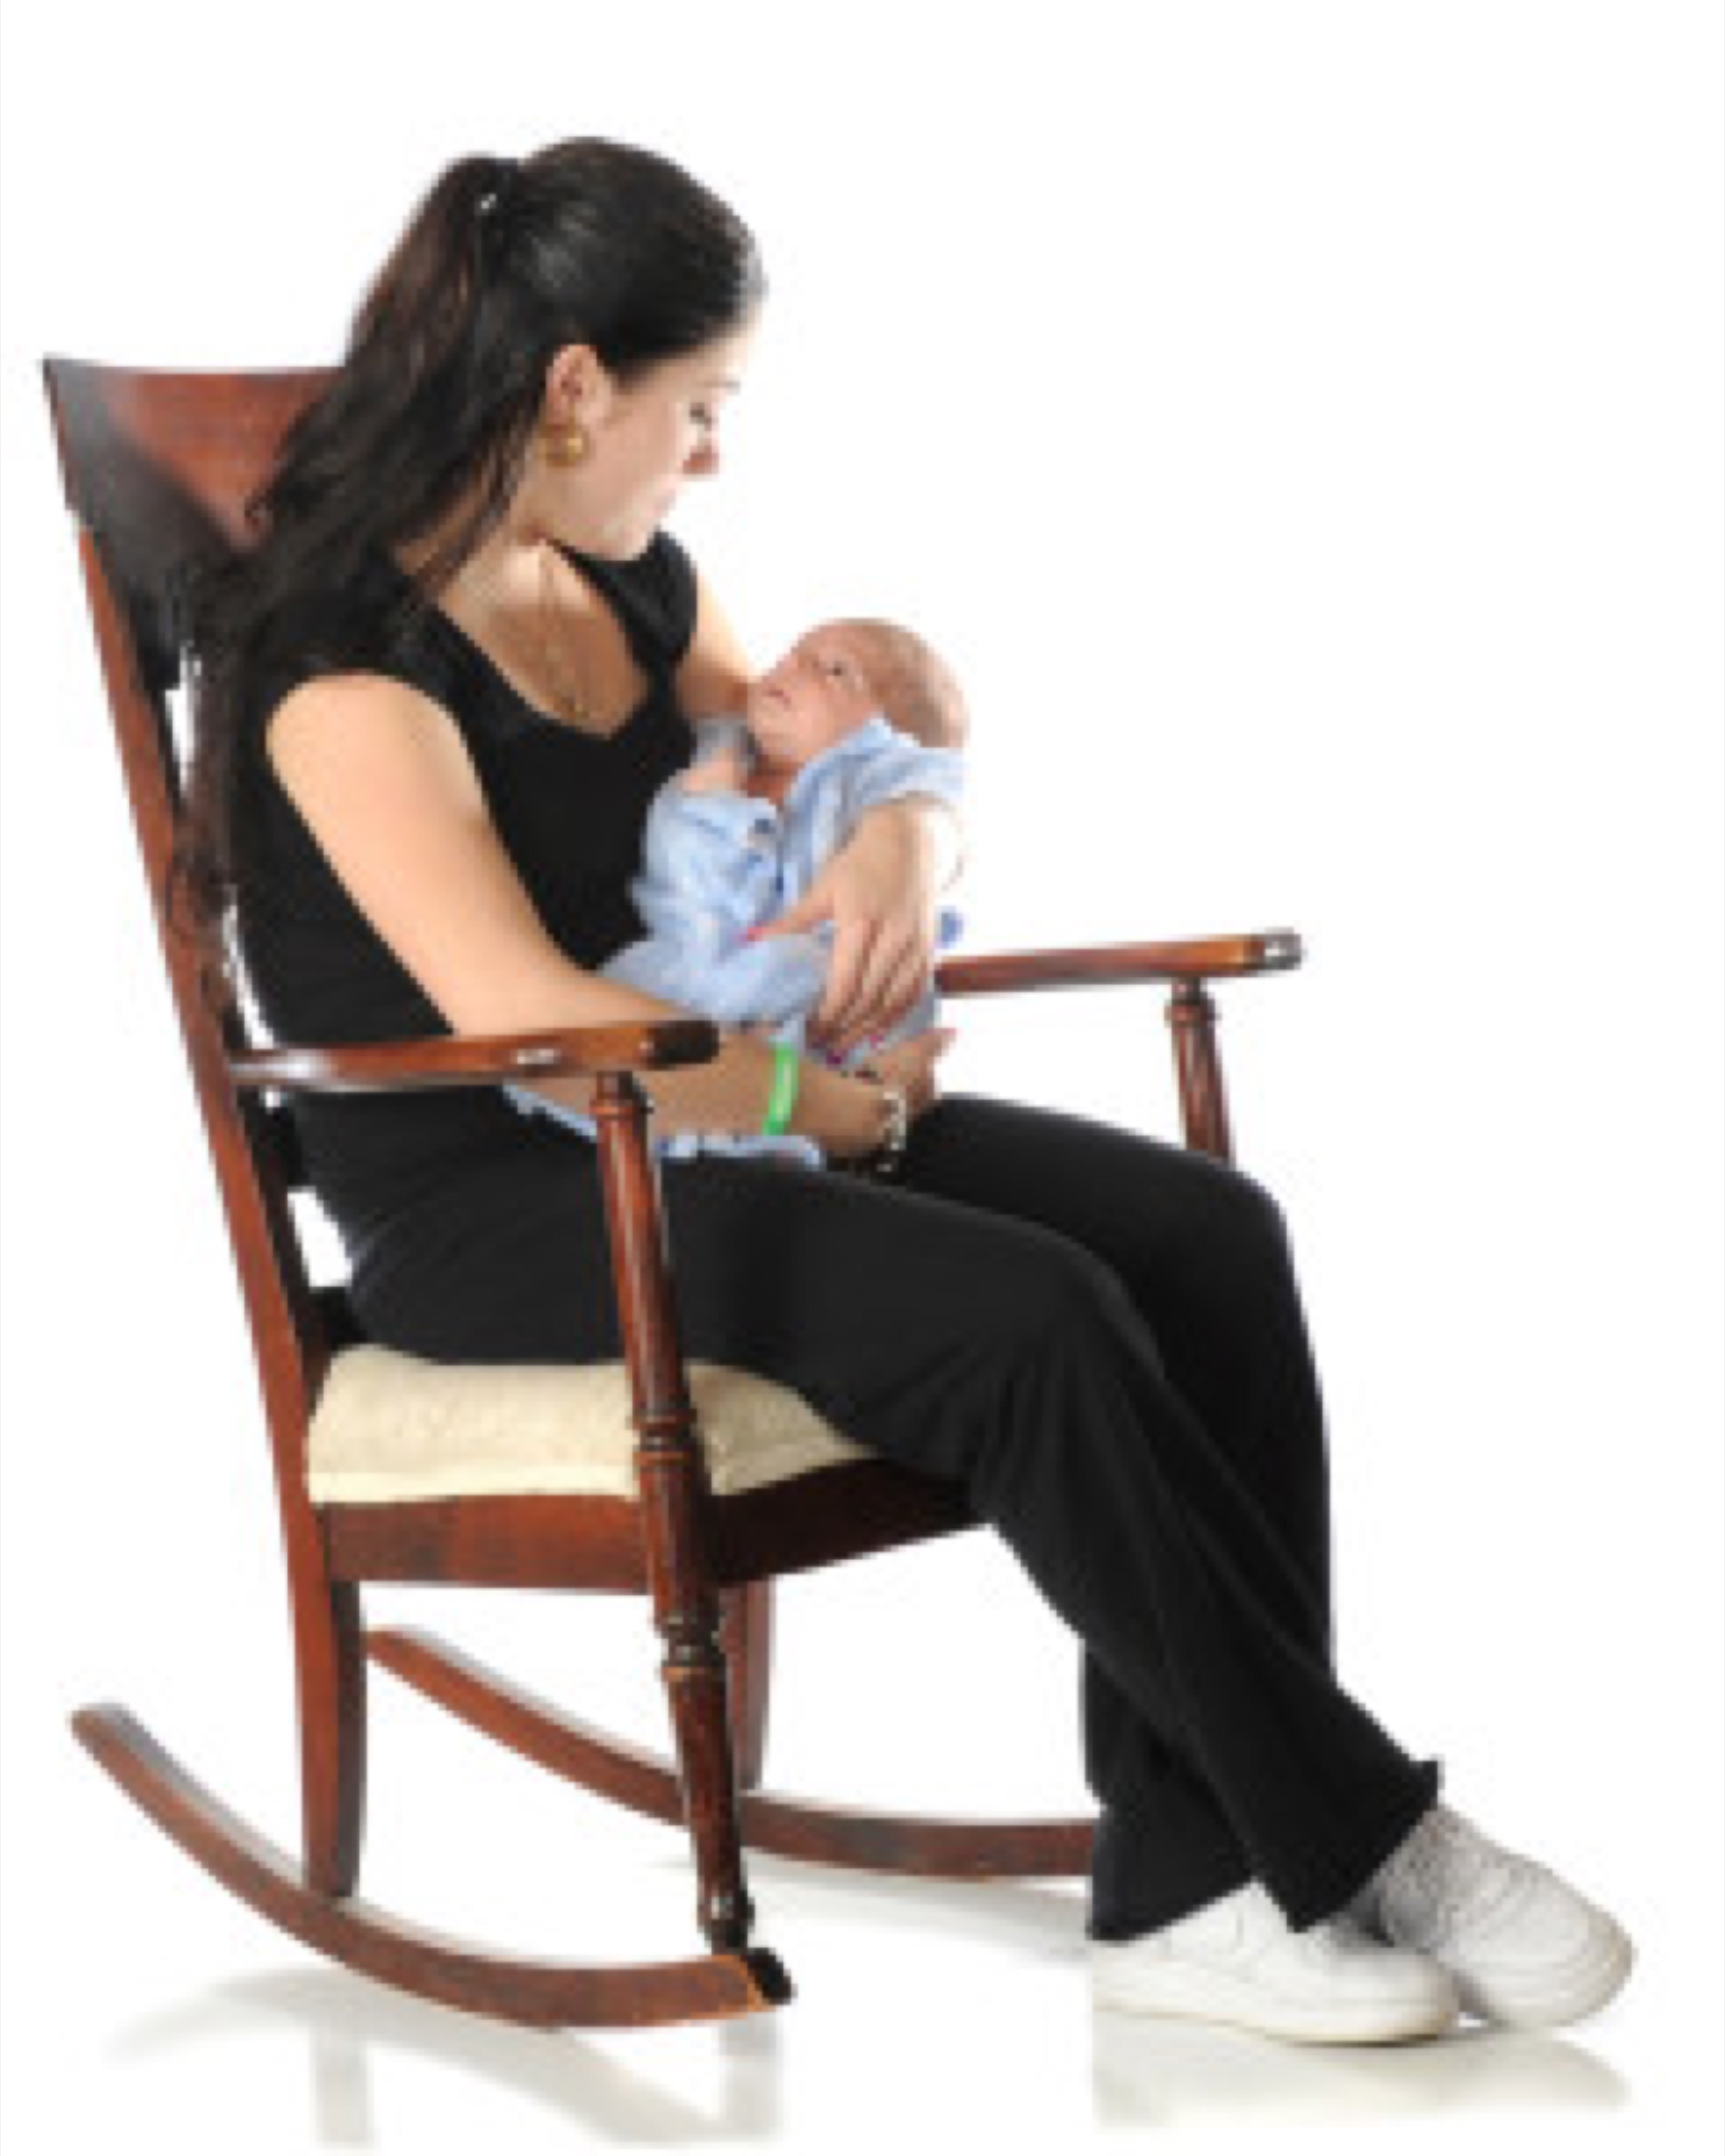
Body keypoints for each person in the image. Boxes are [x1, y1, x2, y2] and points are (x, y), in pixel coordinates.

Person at [188, 137, 1632, 2046]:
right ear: (569, 390)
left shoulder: (623, 581)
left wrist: (903, 852)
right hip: (511, 1201)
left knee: (1205, 1231)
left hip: (737, 1111)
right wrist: (848, 1108)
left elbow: (841, 751)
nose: (707, 455)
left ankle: (1188, 1872)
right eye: (697, 406)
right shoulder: (338, 672)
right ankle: (1364, 1825)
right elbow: (532, 1021)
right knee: (1022, 1307)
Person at [504, 613, 966, 1165]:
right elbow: (685, 870)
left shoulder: (870, 779)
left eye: (836, 671)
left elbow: (939, 787)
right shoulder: (720, 755)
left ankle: (819, 1120)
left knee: (885, 994)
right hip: (691, 967)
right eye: (794, 652)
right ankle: (735, 1135)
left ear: (888, 734)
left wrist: (909, 831)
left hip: (830, 988)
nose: (792, 666)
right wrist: (718, 812)